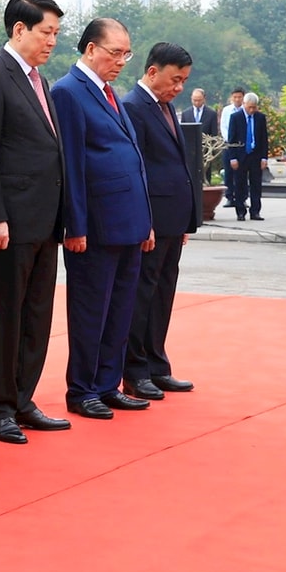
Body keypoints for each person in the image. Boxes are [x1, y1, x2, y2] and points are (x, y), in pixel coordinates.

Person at [0, 0, 71, 445]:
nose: (53, 41)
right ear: (19, 30)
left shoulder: (38, 79)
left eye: (56, 33)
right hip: (9, 224)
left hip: (44, 220)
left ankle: (23, 399)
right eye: (46, 32)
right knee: (5, 318)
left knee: (37, 316)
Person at [52, 16, 153, 418]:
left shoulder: (111, 92)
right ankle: (82, 389)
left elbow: (131, 159)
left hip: (127, 222)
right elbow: (71, 166)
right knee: (92, 310)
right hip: (94, 227)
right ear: (90, 49)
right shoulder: (69, 93)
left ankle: (108, 383)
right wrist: (75, 225)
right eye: (115, 52)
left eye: (126, 53)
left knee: (120, 310)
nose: (121, 61)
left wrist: (145, 218)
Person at [121, 42, 200, 400]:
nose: (179, 87)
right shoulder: (133, 108)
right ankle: (134, 370)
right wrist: (143, 221)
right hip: (150, 220)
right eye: (175, 79)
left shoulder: (166, 108)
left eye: (184, 80)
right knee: (142, 294)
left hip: (172, 219)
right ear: (152, 72)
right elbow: (135, 170)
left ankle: (156, 363)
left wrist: (186, 219)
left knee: (163, 293)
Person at [226, 93, 267, 220]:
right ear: (244, 104)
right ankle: (240, 211)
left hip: (255, 155)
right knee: (239, 184)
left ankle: (255, 211)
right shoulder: (235, 117)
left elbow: (264, 139)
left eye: (254, 107)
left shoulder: (260, 117)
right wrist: (233, 158)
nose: (252, 110)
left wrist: (264, 158)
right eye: (249, 107)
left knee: (256, 185)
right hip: (240, 156)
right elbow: (231, 139)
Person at [182, 87, 220, 183]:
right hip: (190, 150)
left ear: (204, 99)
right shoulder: (186, 114)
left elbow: (214, 133)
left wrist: (212, 150)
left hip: (206, 150)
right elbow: (183, 132)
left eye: (199, 100)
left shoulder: (211, 114)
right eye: (194, 100)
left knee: (205, 174)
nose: (197, 103)